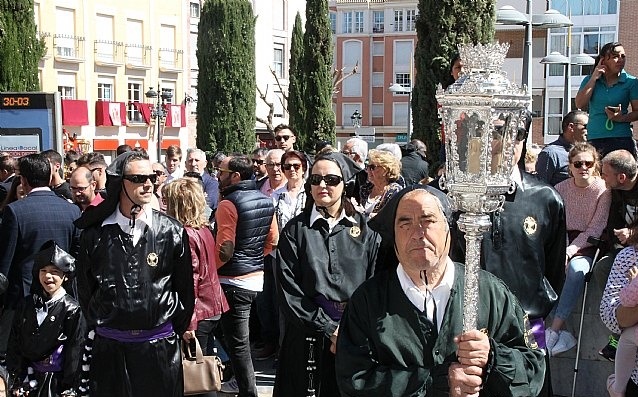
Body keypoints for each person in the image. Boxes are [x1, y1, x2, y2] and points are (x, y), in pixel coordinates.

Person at [335, 186, 545, 397]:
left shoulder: (491, 293)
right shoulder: (368, 302)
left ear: (448, 228)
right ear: (394, 235)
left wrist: (493, 357)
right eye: (405, 223)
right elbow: (354, 381)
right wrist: (434, 384)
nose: (417, 233)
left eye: (428, 220)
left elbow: (533, 373)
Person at [448, 120, 566, 397]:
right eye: (498, 130)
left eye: (517, 133)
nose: (506, 140)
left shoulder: (546, 198)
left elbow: (553, 270)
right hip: (470, 337)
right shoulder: (457, 197)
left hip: (526, 338)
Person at [74, 151, 195, 397]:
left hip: (159, 348)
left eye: (151, 176)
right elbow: (86, 290)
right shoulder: (94, 234)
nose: (148, 183)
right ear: (120, 183)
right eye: (139, 178)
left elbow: (185, 290)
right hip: (110, 348)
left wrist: (169, 329)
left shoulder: (171, 230)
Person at [273, 152, 381, 397]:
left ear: (344, 184)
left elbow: (374, 284)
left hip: (355, 334)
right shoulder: (295, 231)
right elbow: (288, 290)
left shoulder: (365, 231)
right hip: (306, 333)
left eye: (331, 179)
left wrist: (351, 329)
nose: (322, 185)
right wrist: (328, 327)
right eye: (316, 179)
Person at [0, 153, 81, 356]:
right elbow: (76, 257)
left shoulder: (15, 211)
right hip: (61, 301)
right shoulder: (72, 211)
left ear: (23, 180)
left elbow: (5, 264)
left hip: (23, 302)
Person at [214, 154, 277, 396]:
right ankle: (238, 381)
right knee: (235, 339)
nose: (219, 176)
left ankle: (246, 390)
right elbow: (273, 240)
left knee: (238, 343)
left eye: (222, 172)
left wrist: (214, 269)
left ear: (235, 176)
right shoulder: (265, 200)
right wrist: (254, 257)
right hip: (255, 277)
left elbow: (225, 249)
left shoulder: (228, 204)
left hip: (232, 279)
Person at [545, 142, 611, 356]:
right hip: (561, 242)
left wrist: (569, 251)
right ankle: (537, 329)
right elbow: (557, 224)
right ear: (570, 166)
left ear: (596, 165)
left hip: (590, 245)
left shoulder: (604, 191)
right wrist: (560, 251)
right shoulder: (560, 189)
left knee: (576, 270)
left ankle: (554, 330)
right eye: (578, 163)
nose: (584, 167)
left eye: (588, 163)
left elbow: (595, 228)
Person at [163, 179, 229, 371]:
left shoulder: (186, 234)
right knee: (202, 365)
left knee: (195, 371)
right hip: (211, 305)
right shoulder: (203, 229)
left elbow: (191, 280)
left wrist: (188, 323)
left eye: (167, 201)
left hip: (198, 310)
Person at [7, 241, 86, 397]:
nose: (48, 276)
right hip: (28, 379)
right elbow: (15, 341)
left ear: (65, 276)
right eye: (43, 270)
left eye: (54, 271)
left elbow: (75, 349)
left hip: (56, 381)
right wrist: (16, 377)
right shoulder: (27, 304)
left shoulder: (72, 308)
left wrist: (69, 386)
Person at [596, 149, 638, 361]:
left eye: (605, 174)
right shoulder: (615, 192)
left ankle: (616, 338)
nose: (601, 177)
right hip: (625, 251)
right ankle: (619, 331)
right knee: (603, 267)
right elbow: (613, 226)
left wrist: (633, 233)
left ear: (621, 177)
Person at [575, 42, 638, 157]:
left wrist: (621, 118)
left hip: (621, 139)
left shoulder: (631, 82)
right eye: (615, 56)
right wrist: (594, 78)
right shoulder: (590, 80)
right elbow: (580, 103)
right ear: (603, 61)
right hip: (595, 138)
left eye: (623, 56)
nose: (620, 60)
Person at [601, 235, 638, 396]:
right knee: (628, 338)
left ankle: (618, 388)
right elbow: (609, 315)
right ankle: (618, 388)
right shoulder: (630, 257)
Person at [536, 110, 590, 186]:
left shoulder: (589, 152)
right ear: (571, 127)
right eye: (586, 126)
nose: (590, 130)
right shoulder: (551, 153)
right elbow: (540, 187)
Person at [359, 149, 403, 218]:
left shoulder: (395, 191)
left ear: (385, 170)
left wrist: (363, 213)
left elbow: (388, 218)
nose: (368, 171)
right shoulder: (366, 188)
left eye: (372, 167)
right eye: (367, 166)